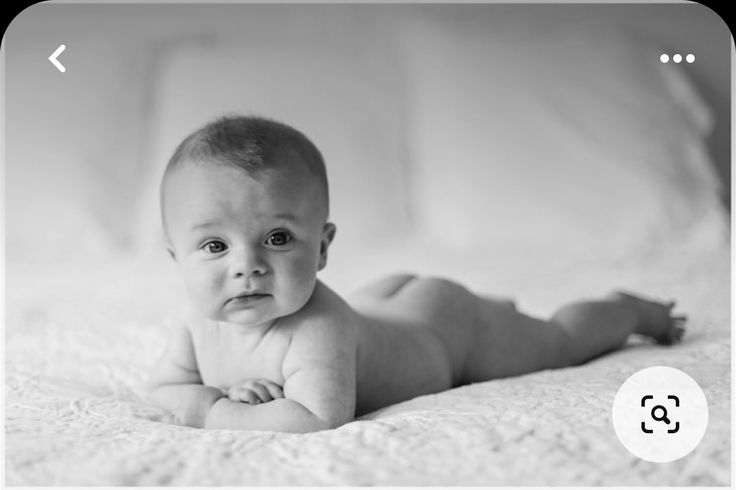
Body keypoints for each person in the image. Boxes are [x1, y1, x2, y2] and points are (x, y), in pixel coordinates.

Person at [144, 115, 685, 432]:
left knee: (558, 342)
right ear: (176, 257)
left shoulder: (319, 327)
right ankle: (495, 307)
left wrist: (215, 408)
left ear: (323, 247)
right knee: (379, 309)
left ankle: (630, 309)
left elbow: (313, 418)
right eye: (215, 245)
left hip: (447, 334)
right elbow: (165, 386)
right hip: (385, 306)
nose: (248, 265)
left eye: (278, 239)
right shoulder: (195, 320)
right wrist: (226, 396)